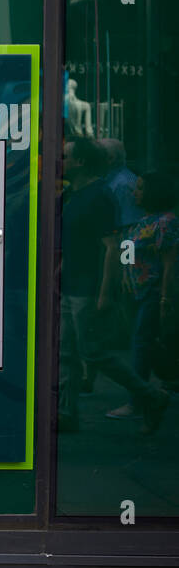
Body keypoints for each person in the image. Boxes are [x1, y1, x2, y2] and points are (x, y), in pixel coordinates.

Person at [57, 139, 169, 434]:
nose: (60, 160)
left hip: (88, 287)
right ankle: (66, 413)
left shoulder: (98, 196)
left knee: (93, 352)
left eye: (65, 156)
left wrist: (107, 291)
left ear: (80, 162)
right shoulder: (75, 194)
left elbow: (114, 246)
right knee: (66, 351)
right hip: (73, 284)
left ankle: (151, 395)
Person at [106, 172, 178, 419]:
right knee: (141, 342)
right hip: (136, 291)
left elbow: (170, 262)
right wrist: (125, 275)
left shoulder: (165, 223)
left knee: (140, 344)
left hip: (153, 291)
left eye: (139, 188)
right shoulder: (142, 221)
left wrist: (166, 298)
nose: (135, 193)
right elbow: (127, 249)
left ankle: (139, 400)